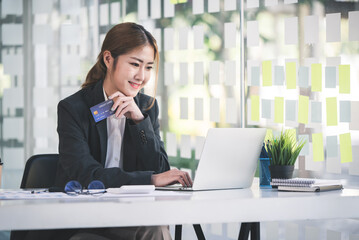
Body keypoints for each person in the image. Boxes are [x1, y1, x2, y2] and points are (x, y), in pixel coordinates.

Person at [53, 22, 192, 240]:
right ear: (108, 59)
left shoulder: (147, 107)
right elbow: (86, 176)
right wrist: (150, 180)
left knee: (156, 229)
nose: (141, 76)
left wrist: (139, 121)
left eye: (148, 67)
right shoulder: (73, 109)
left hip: (131, 215)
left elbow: (159, 169)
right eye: (135, 64)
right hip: (84, 219)